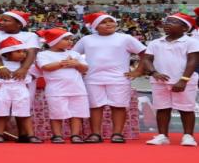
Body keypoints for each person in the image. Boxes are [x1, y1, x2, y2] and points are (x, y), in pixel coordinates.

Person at [73, 12, 146, 144]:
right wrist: (80, 69)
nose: (108, 24)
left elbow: (145, 53)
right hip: (92, 78)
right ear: (95, 26)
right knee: (95, 106)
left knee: (118, 106)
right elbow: (73, 55)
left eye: (110, 21)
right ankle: (95, 134)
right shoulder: (86, 39)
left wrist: (139, 70)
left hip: (119, 78)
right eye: (104, 22)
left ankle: (117, 133)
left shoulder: (125, 38)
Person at [0, 10, 41, 142]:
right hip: (0, 71)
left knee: (23, 107)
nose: (1, 22)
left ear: (19, 24)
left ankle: (25, 135)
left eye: (6, 20)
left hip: (25, 74)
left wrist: (24, 69)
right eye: (1, 20)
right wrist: (0, 67)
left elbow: (32, 52)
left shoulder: (30, 35)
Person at [141, 13, 198, 146]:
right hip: (159, 81)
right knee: (162, 108)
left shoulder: (192, 42)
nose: (167, 24)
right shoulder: (155, 42)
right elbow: (147, 59)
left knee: (186, 109)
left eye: (173, 22)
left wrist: (183, 80)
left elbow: (193, 61)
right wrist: (154, 72)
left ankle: (188, 136)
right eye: (166, 22)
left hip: (185, 81)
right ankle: (163, 136)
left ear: (185, 28)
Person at [36, 28, 89, 144]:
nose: (70, 42)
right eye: (66, 39)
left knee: (77, 113)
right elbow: (45, 67)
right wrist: (62, 63)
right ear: (54, 41)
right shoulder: (43, 54)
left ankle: (75, 135)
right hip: (56, 90)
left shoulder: (74, 54)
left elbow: (85, 68)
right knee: (57, 113)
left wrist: (77, 64)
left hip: (77, 89)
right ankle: (57, 135)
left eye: (71, 39)